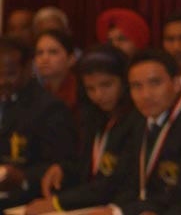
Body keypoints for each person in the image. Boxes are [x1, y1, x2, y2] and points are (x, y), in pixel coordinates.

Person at [90, 49, 181, 215]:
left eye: (155, 83)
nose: (146, 95)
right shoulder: (136, 120)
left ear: (176, 83)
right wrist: (116, 209)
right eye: (136, 86)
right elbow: (127, 182)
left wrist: (121, 211)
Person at [25, 44, 139, 215]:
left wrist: (57, 202)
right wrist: (63, 168)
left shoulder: (136, 121)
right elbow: (86, 168)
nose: (99, 95)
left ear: (124, 82)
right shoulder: (94, 117)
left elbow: (112, 183)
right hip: (89, 205)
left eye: (106, 85)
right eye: (91, 89)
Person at [0, 38, 77, 210]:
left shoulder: (48, 108)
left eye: (9, 74)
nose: (2, 81)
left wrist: (23, 177)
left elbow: (63, 165)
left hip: (26, 199)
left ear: (28, 69)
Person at [34, 29, 80, 113]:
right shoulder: (38, 91)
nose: (44, 58)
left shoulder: (79, 93)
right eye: (40, 53)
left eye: (53, 52)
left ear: (71, 59)